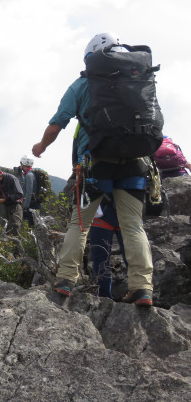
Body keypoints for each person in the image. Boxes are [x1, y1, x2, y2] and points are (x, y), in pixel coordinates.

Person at [31, 32, 154, 306]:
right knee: (133, 225)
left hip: (97, 164)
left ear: (91, 59)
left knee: (81, 223)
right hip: (135, 162)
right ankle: (142, 287)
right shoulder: (138, 79)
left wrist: (41, 146)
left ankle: (65, 280)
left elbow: (57, 124)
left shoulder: (83, 84)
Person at [88, 197, 126, 300]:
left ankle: (104, 298)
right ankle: (140, 290)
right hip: (129, 206)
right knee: (132, 254)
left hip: (102, 208)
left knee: (101, 259)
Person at [0, 164, 24, 236]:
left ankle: (16, 247)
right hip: (7, 207)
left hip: (16, 207)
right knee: (7, 230)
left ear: (0, 173)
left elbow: (19, 194)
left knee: (15, 228)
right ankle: (9, 246)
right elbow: (0, 193)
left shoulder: (12, 179)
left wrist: (5, 200)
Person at [17, 155, 40, 226]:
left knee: (32, 224)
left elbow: (29, 192)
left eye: (21, 164)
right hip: (32, 202)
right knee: (30, 223)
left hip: (32, 203)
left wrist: (26, 206)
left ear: (23, 163)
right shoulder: (28, 174)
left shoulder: (29, 175)